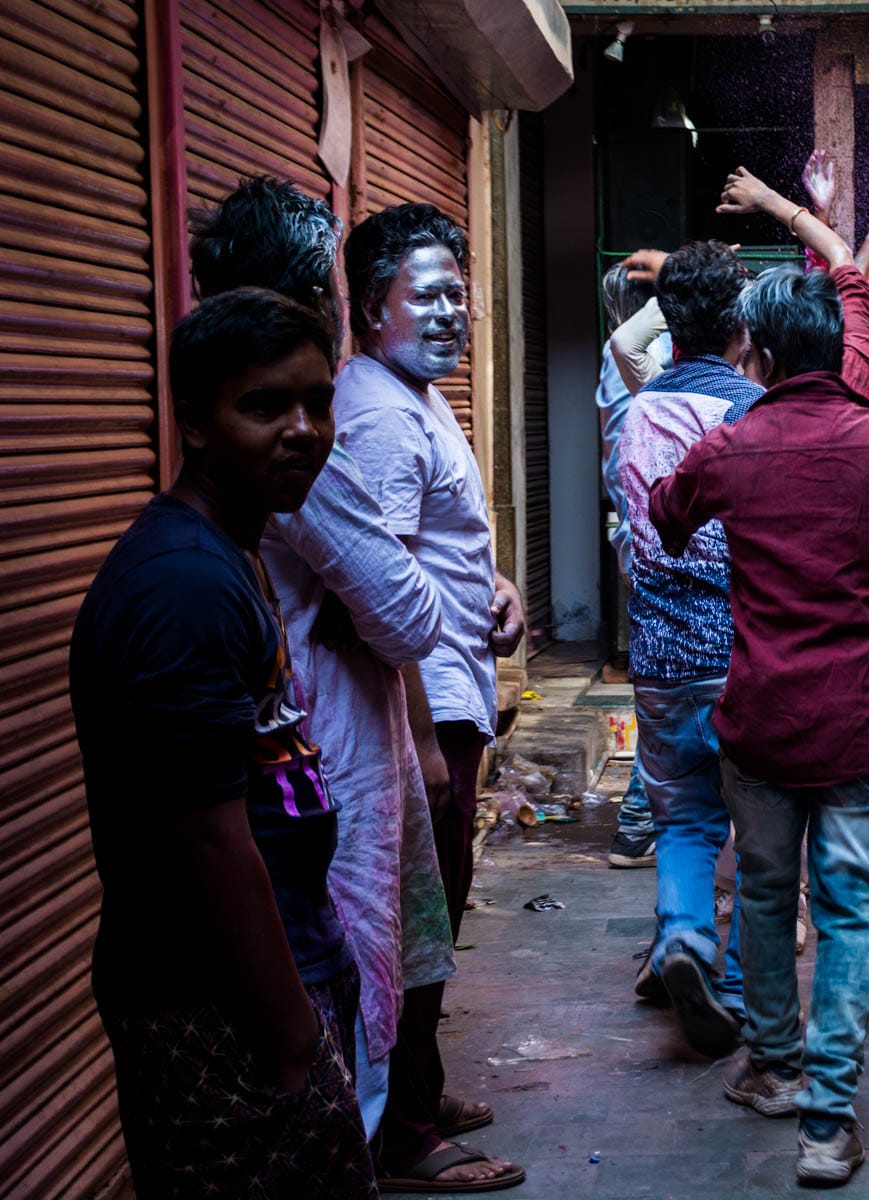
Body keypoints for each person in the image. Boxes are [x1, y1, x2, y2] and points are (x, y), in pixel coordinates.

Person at [650, 164, 869, 1187]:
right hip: (858, 723)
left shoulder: (734, 441)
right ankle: (827, 1119)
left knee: (764, 898)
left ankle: (772, 1067)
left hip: (758, 721)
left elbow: (669, 521)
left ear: (757, 352)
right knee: (848, 909)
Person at [71, 288, 375, 1197]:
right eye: (264, 406)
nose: (303, 429)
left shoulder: (228, 549)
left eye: (318, 402)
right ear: (196, 423)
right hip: (213, 1005)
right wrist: (292, 1042)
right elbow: (207, 837)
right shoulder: (184, 585)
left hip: (260, 979)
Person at [188, 177, 459, 1148]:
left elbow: (392, 601)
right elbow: (409, 610)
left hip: (324, 739)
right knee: (340, 1003)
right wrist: (385, 599)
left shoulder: (290, 419)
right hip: (321, 746)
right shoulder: (308, 437)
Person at [336, 202, 526, 1191]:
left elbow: (435, 551)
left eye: (461, 294)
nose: (454, 312)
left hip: (454, 692)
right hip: (426, 709)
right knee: (418, 918)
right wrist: (415, 746)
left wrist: (494, 590)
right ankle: (403, 1133)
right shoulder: (370, 413)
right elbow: (376, 586)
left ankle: (419, 1086)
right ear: (373, 310)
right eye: (429, 295)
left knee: (434, 911)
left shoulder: (413, 396)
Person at [614, 238, 761, 1058]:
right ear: (743, 324)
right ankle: (731, 983)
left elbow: (640, 537)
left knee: (681, 821)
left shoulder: (636, 413)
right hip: (745, 657)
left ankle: (680, 939)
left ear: (669, 325)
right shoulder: (752, 412)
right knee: (757, 827)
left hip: (662, 656)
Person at [598, 262, 676, 870]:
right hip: (658, 542)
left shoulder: (616, 364)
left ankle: (637, 823)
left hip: (641, 539)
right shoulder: (636, 365)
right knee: (665, 692)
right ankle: (636, 824)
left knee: (661, 688)